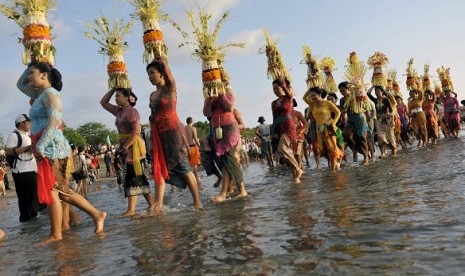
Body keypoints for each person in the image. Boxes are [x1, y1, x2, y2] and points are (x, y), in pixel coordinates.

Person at [17, 61, 106, 244]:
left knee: (54, 191)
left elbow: (54, 121)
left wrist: (40, 145)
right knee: (60, 192)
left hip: (54, 149)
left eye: (32, 73)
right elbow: (20, 84)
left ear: (44, 75)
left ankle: (58, 233)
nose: (28, 76)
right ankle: (95, 215)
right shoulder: (39, 94)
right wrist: (32, 62)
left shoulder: (50, 94)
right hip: (48, 149)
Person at [147, 57, 202, 210]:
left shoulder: (170, 88)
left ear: (161, 74)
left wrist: (162, 60)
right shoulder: (152, 95)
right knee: (160, 166)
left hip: (174, 133)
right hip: (160, 135)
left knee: (183, 166)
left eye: (152, 73)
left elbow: (169, 74)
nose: (150, 77)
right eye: (148, 74)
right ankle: (158, 205)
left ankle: (197, 201)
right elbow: (152, 115)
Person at [100, 87, 154, 217]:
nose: (116, 98)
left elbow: (136, 132)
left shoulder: (132, 111)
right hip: (126, 146)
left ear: (126, 97)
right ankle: (152, 204)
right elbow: (103, 103)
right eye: (115, 96)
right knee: (139, 176)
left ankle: (131, 210)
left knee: (132, 176)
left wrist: (125, 147)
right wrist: (113, 89)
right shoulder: (118, 111)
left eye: (118, 96)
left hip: (134, 146)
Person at [203, 85, 248, 201]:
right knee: (224, 161)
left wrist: (221, 94)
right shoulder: (209, 94)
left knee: (230, 158)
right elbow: (206, 112)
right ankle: (226, 192)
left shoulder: (227, 91)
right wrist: (210, 99)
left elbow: (229, 107)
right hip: (216, 130)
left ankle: (239, 190)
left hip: (230, 129)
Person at [5, 114, 39, 222]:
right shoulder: (14, 135)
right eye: (28, 122)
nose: (30, 124)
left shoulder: (28, 135)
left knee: (34, 199)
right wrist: (28, 148)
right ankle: (25, 223)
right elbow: (8, 151)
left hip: (32, 168)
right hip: (21, 170)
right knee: (24, 199)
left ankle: (34, 224)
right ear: (21, 124)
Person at [303, 87, 343, 171]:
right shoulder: (313, 104)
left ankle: (334, 168)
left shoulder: (327, 103)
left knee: (332, 147)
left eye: (314, 95)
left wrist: (333, 123)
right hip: (319, 129)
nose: (312, 97)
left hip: (329, 128)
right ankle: (336, 164)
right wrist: (310, 90)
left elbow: (338, 112)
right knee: (324, 148)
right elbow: (304, 98)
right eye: (311, 96)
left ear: (320, 94)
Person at [271, 78, 303, 182]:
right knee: (285, 154)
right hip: (279, 127)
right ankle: (296, 178)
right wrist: (273, 132)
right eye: (273, 89)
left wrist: (283, 82)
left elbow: (287, 91)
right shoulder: (273, 103)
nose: (275, 91)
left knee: (283, 148)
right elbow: (274, 118)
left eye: (277, 88)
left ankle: (298, 169)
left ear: (282, 88)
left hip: (289, 127)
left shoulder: (288, 98)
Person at [367, 86, 397, 157]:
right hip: (379, 120)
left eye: (378, 91)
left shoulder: (386, 99)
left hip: (387, 119)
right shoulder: (375, 100)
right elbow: (368, 93)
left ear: (382, 92)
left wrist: (392, 120)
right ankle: (383, 152)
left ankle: (393, 151)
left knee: (390, 135)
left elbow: (391, 111)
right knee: (380, 136)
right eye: (375, 92)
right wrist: (373, 86)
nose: (376, 93)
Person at [185, 117, 202, 189]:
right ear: (192, 121)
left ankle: (191, 181)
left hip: (186, 148)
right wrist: (200, 147)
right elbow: (195, 138)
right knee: (194, 165)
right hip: (192, 147)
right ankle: (197, 181)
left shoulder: (184, 128)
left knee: (189, 165)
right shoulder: (193, 128)